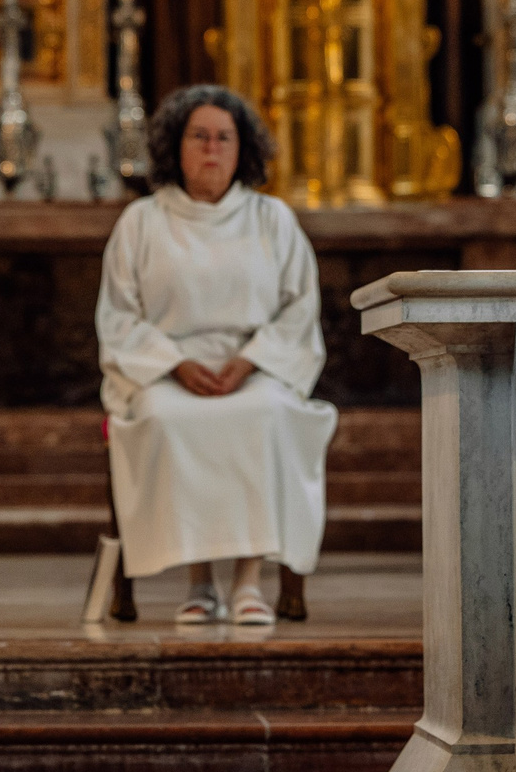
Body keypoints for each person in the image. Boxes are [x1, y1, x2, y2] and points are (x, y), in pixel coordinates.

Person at [94, 85, 335, 627]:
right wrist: (174, 364)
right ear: (174, 147)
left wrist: (248, 362)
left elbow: (299, 309)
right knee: (165, 419)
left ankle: (248, 582)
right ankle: (200, 583)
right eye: (198, 136)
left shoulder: (272, 219)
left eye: (224, 138)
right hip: (165, 370)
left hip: (254, 367)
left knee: (265, 414)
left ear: (242, 148)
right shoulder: (142, 222)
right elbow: (118, 315)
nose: (211, 148)